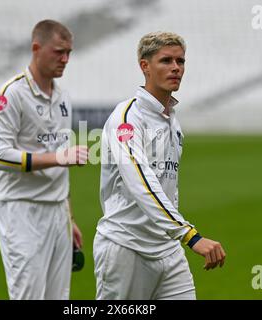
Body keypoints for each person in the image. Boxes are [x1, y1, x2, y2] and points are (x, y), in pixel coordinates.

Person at [94, 31, 226, 300]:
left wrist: (176, 234)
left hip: (167, 248)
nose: (176, 68)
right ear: (145, 66)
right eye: (166, 61)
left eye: (181, 61)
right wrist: (190, 235)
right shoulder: (127, 118)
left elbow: (169, 187)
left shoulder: (171, 121)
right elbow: (141, 181)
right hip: (127, 247)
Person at [0, 20, 88, 300]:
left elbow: (60, 164)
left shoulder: (63, 96)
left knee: (59, 297)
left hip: (57, 213)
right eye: (58, 52)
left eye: (69, 52)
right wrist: (58, 157)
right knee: (28, 295)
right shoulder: (12, 93)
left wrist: (70, 217)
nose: (65, 59)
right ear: (36, 48)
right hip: (22, 211)